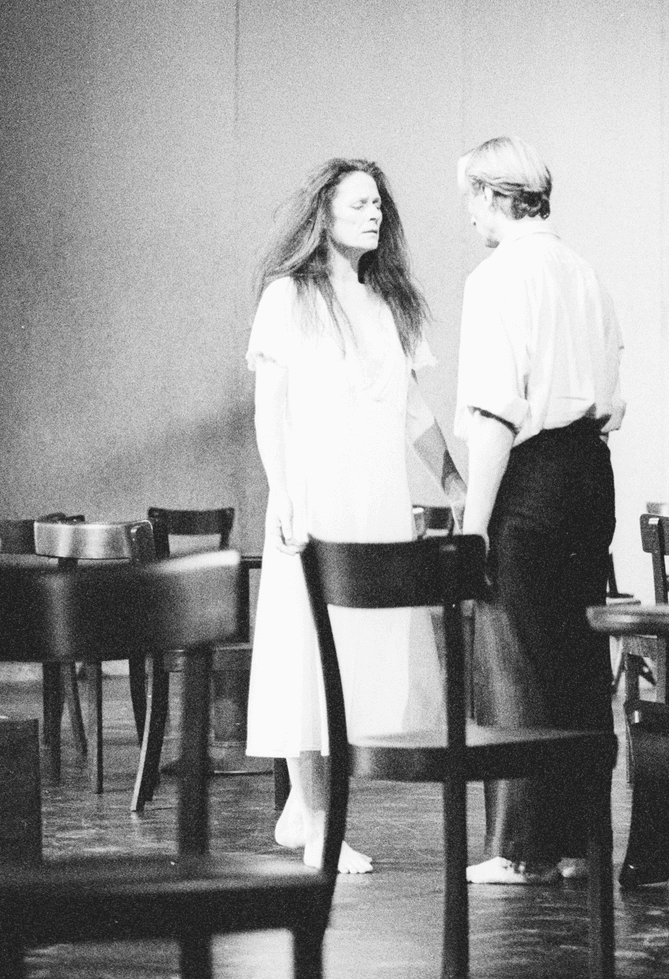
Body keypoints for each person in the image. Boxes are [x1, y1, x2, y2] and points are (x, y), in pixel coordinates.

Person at [244, 158, 465, 872]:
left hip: (376, 503)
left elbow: (412, 409)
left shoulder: (389, 304)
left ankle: (304, 810)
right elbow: (269, 408)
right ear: (326, 215)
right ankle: (316, 823)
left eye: (378, 204)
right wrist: (283, 491)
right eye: (358, 203)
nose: (373, 213)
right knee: (308, 656)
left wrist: (455, 479)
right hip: (313, 497)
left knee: (363, 663)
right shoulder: (288, 297)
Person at [454, 137, 624, 884]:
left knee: (516, 661)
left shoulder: (497, 278)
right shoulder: (584, 273)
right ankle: (582, 842)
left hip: (530, 477)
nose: (469, 216)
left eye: (470, 198)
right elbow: (616, 395)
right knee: (580, 661)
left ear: (494, 196)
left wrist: (472, 527)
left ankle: (521, 849)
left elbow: (494, 415)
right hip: (592, 474)